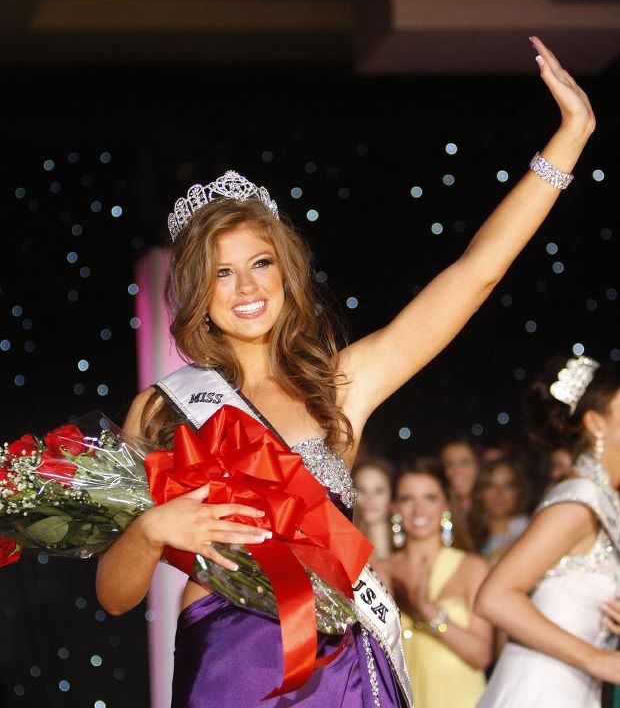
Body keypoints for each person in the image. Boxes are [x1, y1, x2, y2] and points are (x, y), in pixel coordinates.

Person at [95, 36, 595, 707]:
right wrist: (151, 529)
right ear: (196, 292)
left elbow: (475, 274)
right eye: (222, 272)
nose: (247, 287)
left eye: (260, 263)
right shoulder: (165, 409)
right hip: (229, 667)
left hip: (337, 667)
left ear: (285, 272)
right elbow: (115, 596)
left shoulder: (339, 387)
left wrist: (571, 137)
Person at [476, 356, 620, 707]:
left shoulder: (603, 501)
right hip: (540, 688)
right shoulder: (579, 501)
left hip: (574, 689)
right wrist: (597, 660)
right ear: (596, 424)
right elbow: (494, 597)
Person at [375, 462, 492, 708]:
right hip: (401, 699)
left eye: (430, 498)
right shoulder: (379, 570)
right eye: (407, 499)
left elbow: (481, 655)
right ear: (395, 507)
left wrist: (427, 610)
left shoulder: (471, 567)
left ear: (446, 505)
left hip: (461, 699)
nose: (419, 509)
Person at [469, 458, 531, 562]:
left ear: (518, 492)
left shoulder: (531, 530)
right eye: (490, 486)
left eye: (507, 486)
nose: (499, 494)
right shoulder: (469, 535)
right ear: (480, 492)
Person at [352, 457, 398, 561]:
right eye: (361, 490)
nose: (369, 499)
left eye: (378, 491)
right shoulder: (345, 553)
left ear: (392, 497)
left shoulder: (407, 552)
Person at [439, 438, 480, 550]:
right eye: (449, 465)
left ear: (478, 465)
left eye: (464, 463)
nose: (456, 471)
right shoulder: (441, 510)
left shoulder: (496, 507)